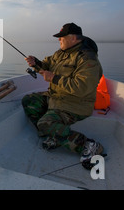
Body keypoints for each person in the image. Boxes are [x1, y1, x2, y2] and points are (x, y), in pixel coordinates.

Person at [22, 23, 104, 167]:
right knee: (29, 101)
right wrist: (36, 63)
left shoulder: (88, 59)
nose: (59, 40)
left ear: (73, 38)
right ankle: (53, 137)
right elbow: (46, 65)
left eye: (61, 38)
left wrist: (54, 78)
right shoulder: (61, 53)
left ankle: (88, 145)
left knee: (45, 123)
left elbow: (82, 87)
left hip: (76, 104)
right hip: (57, 98)